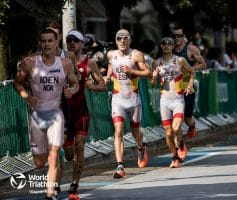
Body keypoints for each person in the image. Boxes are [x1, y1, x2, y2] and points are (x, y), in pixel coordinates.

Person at [13, 28, 79, 200]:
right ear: (40, 43)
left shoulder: (65, 64)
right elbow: (16, 82)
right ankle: (50, 174)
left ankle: (50, 193)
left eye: (50, 41)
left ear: (56, 42)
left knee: (54, 153)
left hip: (56, 115)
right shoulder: (30, 63)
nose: (47, 44)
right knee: (39, 162)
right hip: (36, 117)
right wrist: (26, 96)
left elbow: (75, 82)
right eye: (44, 41)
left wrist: (72, 89)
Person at [64, 29, 107, 198]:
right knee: (68, 153)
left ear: (82, 44)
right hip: (64, 113)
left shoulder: (90, 63)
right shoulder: (60, 62)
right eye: (69, 40)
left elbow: (103, 85)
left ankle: (74, 186)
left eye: (75, 40)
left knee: (79, 146)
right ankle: (70, 160)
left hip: (81, 112)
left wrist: (93, 86)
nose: (72, 43)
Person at [105, 29, 151, 178]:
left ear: (130, 40)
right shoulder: (111, 55)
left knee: (135, 132)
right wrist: (106, 78)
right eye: (119, 38)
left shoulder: (136, 55)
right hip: (118, 99)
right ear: (116, 40)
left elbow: (148, 73)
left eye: (125, 38)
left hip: (134, 99)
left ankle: (140, 147)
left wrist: (133, 71)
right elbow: (110, 70)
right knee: (118, 130)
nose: (122, 41)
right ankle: (120, 166)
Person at [152, 37, 195, 168]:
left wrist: (190, 86)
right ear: (161, 46)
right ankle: (174, 157)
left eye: (169, 44)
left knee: (176, 128)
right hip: (164, 100)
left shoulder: (179, 60)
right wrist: (154, 78)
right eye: (163, 43)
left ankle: (181, 142)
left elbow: (192, 72)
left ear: (172, 46)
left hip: (178, 100)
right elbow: (153, 84)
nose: (166, 46)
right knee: (169, 132)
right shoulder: (157, 62)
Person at [172, 25, 206, 139]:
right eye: (174, 36)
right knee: (176, 119)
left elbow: (203, 64)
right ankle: (179, 145)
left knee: (187, 119)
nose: (177, 38)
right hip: (173, 89)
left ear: (183, 37)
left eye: (179, 36)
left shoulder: (191, 49)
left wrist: (190, 69)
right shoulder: (168, 49)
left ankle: (192, 125)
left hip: (188, 88)